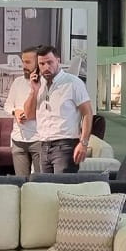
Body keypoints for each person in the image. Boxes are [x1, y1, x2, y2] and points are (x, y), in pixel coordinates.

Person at [28, 45, 93, 173]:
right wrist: (33, 91)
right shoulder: (39, 85)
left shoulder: (73, 83)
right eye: (42, 64)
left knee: (62, 184)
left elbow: (87, 113)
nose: (46, 67)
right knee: (46, 185)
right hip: (43, 145)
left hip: (65, 145)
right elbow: (29, 115)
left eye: (50, 62)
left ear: (58, 61)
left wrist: (84, 143)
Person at [3, 47, 41, 177]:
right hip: (18, 139)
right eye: (23, 62)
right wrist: (15, 111)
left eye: (28, 62)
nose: (24, 66)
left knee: (39, 181)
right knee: (21, 181)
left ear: (38, 63)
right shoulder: (17, 82)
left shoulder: (45, 84)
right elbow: (7, 105)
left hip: (39, 139)